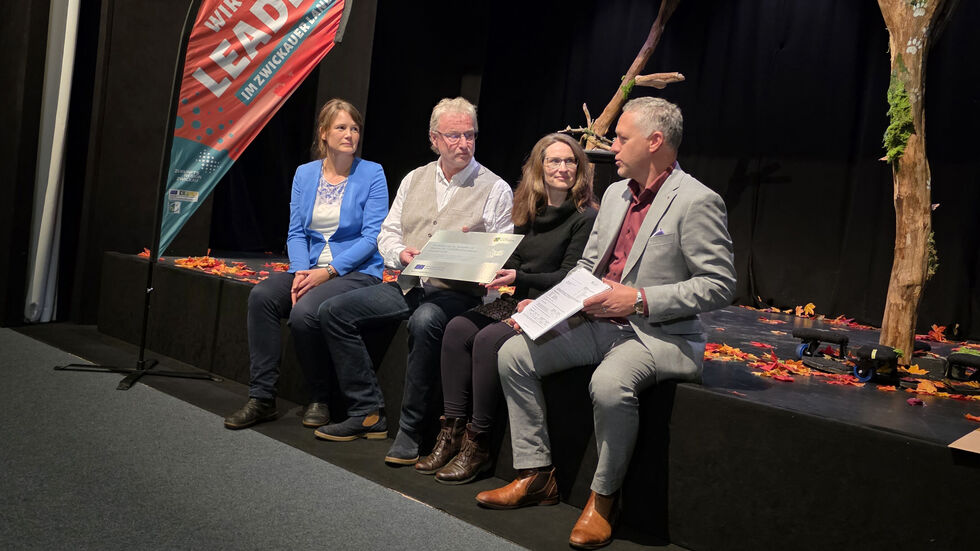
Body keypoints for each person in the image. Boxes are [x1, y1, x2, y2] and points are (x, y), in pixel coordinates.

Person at [475, 97, 736, 550]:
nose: (611, 146)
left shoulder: (697, 200)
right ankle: (536, 475)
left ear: (654, 142)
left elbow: (720, 285)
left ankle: (603, 499)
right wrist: (547, 307)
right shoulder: (615, 194)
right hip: (597, 322)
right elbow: (587, 267)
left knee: (609, 385)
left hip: (655, 334)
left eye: (621, 138)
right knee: (514, 354)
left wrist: (639, 300)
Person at [313, 97, 514, 467]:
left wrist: (473, 258)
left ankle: (411, 430)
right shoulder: (414, 179)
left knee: (425, 321)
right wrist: (401, 254)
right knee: (333, 311)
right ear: (434, 139)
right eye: (454, 136)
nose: (464, 143)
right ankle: (366, 410)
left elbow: (501, 251)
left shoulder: (495, 188)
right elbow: (387, 233)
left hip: (458, 294)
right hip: (411, 285)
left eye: (470, 135)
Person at [415, 133, 597, 485]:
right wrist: (479, 256)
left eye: (570, 161)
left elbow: (570, 275)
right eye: (554, 161)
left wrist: (518, 275)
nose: (563, 168)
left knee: (487, 341)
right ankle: (451, 432)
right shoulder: (529, 209)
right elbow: (512, 259)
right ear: (539, 168)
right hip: (518, 300)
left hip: (554, 307)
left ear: (580, 168)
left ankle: (478, 443)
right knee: (456, 329)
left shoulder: (585, 217)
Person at [223, 99, 388, 430]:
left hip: (355, 273)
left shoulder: (372, 173)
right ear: (324, 133)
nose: (350, 134)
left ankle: (319, 398)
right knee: (262, 296)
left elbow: (372, 238)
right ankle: (262, 397)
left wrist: (327, 272)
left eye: (355, 128)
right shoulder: (305, 173)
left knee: (304, 312)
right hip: (308, 268)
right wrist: (302, 273)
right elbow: (296, 233)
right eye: (341, 127)